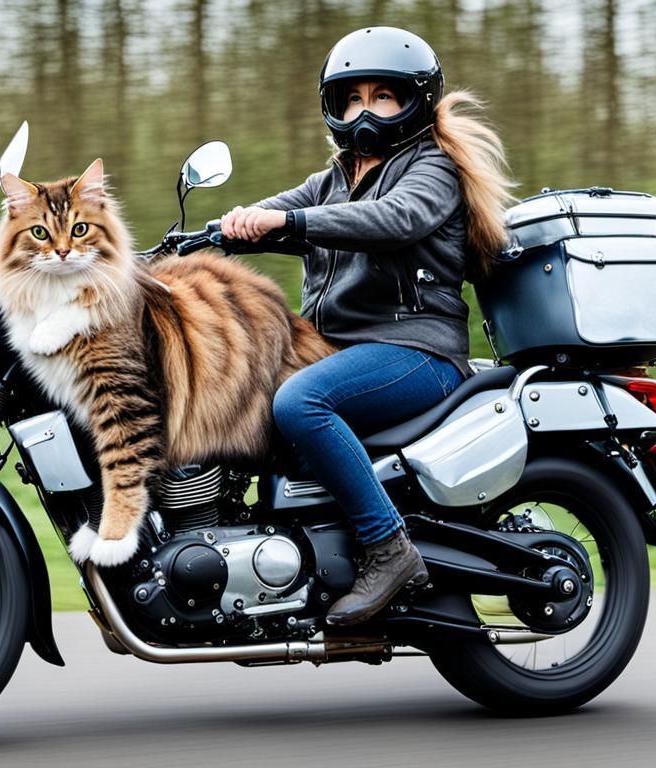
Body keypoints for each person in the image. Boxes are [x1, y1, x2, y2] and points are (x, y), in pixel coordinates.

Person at [220, 26, 516, 626]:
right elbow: (276, 212)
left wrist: (292, 224)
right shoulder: (334, 179)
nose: (365, 112)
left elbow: (392, 220)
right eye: (351, 98)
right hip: (345, 348)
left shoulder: (433, 168)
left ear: (415, 101)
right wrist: (216, 231)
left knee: (301, 402)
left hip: (416, 351)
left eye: (383, 96)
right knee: (231, 387)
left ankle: (389, 548)